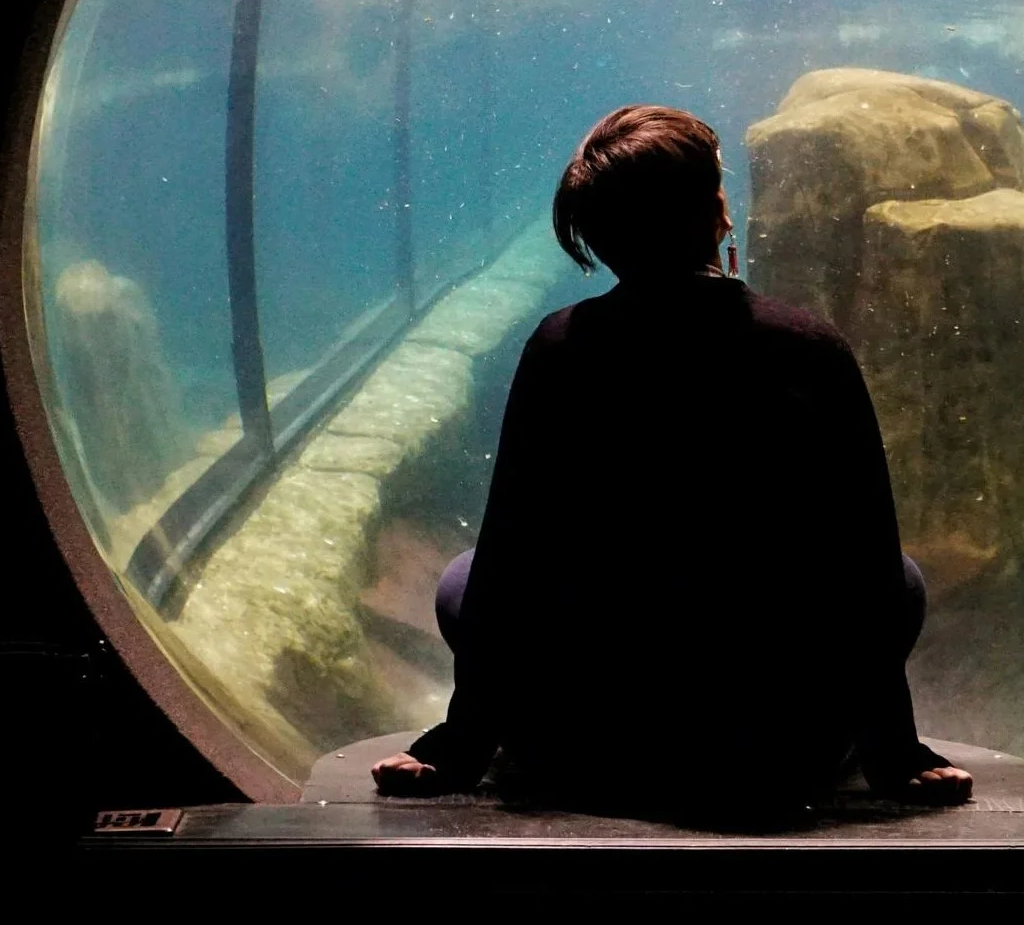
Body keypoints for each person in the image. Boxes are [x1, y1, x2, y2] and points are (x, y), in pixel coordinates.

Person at [372, 105, 972, 817]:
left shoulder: (560, 348)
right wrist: (894, 754)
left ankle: (512, 740)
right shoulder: (809, 348)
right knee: (898, 578)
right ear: (713, 215)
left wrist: (461, 746)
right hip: (778, 746)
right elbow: (864, 563)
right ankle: (861, 752)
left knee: (465, 579)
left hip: (580, 744)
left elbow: (511, 563)